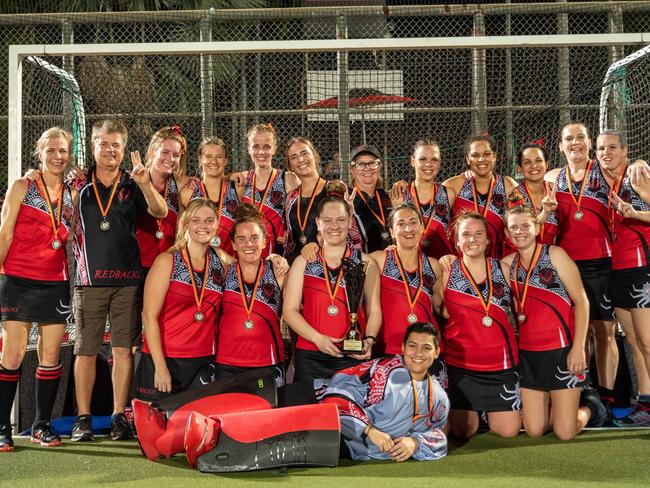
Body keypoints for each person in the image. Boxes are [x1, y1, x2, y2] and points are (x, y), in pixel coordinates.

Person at [70, 119, 168, 442]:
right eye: (104, 144)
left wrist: (144, 184)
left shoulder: (132, 183)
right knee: (85, 351)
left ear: (124, 150)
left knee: (123, 350)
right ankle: (83, 418)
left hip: (127, 281)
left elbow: (161, 211)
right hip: (90, 281)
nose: (110, 150)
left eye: (116, 145)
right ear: (94, 147)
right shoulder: (79, 185)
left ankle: (117, 416)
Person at [502, 202, 606, 439]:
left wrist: (578, 348)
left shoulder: (555, 254)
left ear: (536, 227)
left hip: (562, 350)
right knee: (534, 430)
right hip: (528, 353)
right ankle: (560, 406)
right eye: (514, 228)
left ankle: (592, 406)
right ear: (507, 234)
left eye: (526, 226)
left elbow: (581, 301)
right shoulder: (507, 266)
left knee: (565, 432)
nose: (520, 232)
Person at [0, 128, 76, 450]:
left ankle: (41, 426)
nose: (57, 157)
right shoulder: (22, 186)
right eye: (52, 151)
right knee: (14, 352)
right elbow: (4, 233)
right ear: (40, 152)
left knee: (49, 354)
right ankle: (2, 426)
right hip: (16, 278)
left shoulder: (72, 194)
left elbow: (69, 238)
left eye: (63, 151)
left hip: (54, 281)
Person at [283, 182, 381, 381]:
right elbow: (289, 311)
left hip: (353, 354)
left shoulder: (366, 263)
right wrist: (317, 339)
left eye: (341, 220)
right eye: (327, 220)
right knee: (313, 413)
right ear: (318, 223)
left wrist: (369, 339)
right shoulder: (303, 262)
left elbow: (375, 310)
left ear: (350, 222)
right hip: (311, 354)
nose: (334, 226)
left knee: (350, 411)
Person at [135, 199, 228, 401]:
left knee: (198, 429)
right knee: (157, 430)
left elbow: (252, 265)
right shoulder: (167, 261)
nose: (203, 226)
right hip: (165, 359)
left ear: (217, 225)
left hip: (203, 363)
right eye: (196, 220)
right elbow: (148, 317)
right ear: (186, 225)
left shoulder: (221, 262)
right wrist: (160, 367)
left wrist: (275, 258)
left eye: (209, 220)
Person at [320, 322, 449, 461]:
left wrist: (415, 442)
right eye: (412, 346)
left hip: (353, 449)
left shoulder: (439, 396)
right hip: (319, 404)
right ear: (403, 348)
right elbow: (336, 397)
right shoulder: (383, 371)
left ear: (436, 352)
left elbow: (439, 432)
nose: (418, 353)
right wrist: (370, 430)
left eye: (426, 348)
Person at [442, 212, 520, 439]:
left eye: (479, 234)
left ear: (488, 239)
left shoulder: (504, 270)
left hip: (500, 364)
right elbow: (440, 310)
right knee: (462, 430)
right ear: (457, 241)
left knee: (508, 431)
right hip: (462, 365)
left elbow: (519, 311)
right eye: (465, 234)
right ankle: (479, 413)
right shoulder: (446, 271)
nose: (472, 239)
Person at [597, 129, 650, 426]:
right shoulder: (610, 182)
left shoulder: (637, 174)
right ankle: (645, 402)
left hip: (642, 268)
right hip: (618, 270)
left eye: (612, 147)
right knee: (633, 341)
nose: (607, 153)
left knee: (647, 341)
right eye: (602, 148)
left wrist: (634, 213)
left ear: (625, 150)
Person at [215, 204, 286, 386]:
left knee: (267, 414)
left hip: (267, 363)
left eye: (255, 238)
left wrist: (276, 257)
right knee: (230, 413)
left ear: (264, 241)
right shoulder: (223, 270)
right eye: (241, 239)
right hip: (227, 362)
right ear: (233, 244)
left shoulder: (278, 271)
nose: (248, 244)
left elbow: (294, 311)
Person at [370, 204, 444, 366]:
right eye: (401, 224)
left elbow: (441, 308)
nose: (408, 229)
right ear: (391, 232)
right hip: (388, 348)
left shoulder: (433, 265)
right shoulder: (378, 260)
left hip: (425, 350)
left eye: (413, 222)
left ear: (421, 227)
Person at [444, 134, 518, 259]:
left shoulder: (508, 185)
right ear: (468, 159)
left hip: (496, 265)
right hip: (460, 264)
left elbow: (523, 221)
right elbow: (432, 221)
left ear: (494, 156)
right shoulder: (454, 185)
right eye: (475, 155)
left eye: (487, 154)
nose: (481, 159)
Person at [235, 124, 300, 259]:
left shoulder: (288, 179)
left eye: (267, 147)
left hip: (276, 256)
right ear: (249, 149)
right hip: (248, 252)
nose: (261, 152)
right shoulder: (242, 179)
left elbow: (301, 216)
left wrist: (290, 234)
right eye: (256, 147)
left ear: (274, 149)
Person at [391, 139, 455, 259]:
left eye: (434, 160)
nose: (428, 164)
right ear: (412, 161)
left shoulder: (448, 194)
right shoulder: (400, 196)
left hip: (443, 265)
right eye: (422, 159)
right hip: (410, 265)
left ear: (440, 163)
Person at [136, 126, 189, 270]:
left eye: (176, 155)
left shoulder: (181, 187)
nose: (170, 159)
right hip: (134, 267)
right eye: (165, 152)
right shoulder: (135, 181)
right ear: (153, 151)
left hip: (166, 267)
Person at [180, 136, 240, 257]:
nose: (214, 161)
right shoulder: (188, 193)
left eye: (219, 157)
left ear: (225, 160)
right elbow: (181, 233)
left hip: (232, 264)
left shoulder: (238, 189)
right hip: (199, 264)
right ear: (200, 159)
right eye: (208, 156)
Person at [283, 137, 327, 264]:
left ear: (314, 156)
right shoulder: (290, 197)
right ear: (290, 166)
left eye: (304, 153)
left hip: (324, 263)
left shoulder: (333, 190)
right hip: (294, 263)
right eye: (294, 157)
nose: (300, 160)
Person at [508, 143, 559, 245]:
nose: (534, 166)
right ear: (519, 168)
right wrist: (545, 212)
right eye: (527, 162)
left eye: (539, 160)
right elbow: (523, 230)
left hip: (553, 254)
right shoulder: (514, 196)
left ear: (546, 164)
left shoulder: (556, 191)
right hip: (524, 255)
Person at [348, 145, 392, 253]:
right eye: (360, 164)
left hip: (392, 264)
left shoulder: (387, 198)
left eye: (372, 163)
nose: (367, 168)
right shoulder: (346, 199)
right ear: (352, 170)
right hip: (362, 265)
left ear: (380, 167)